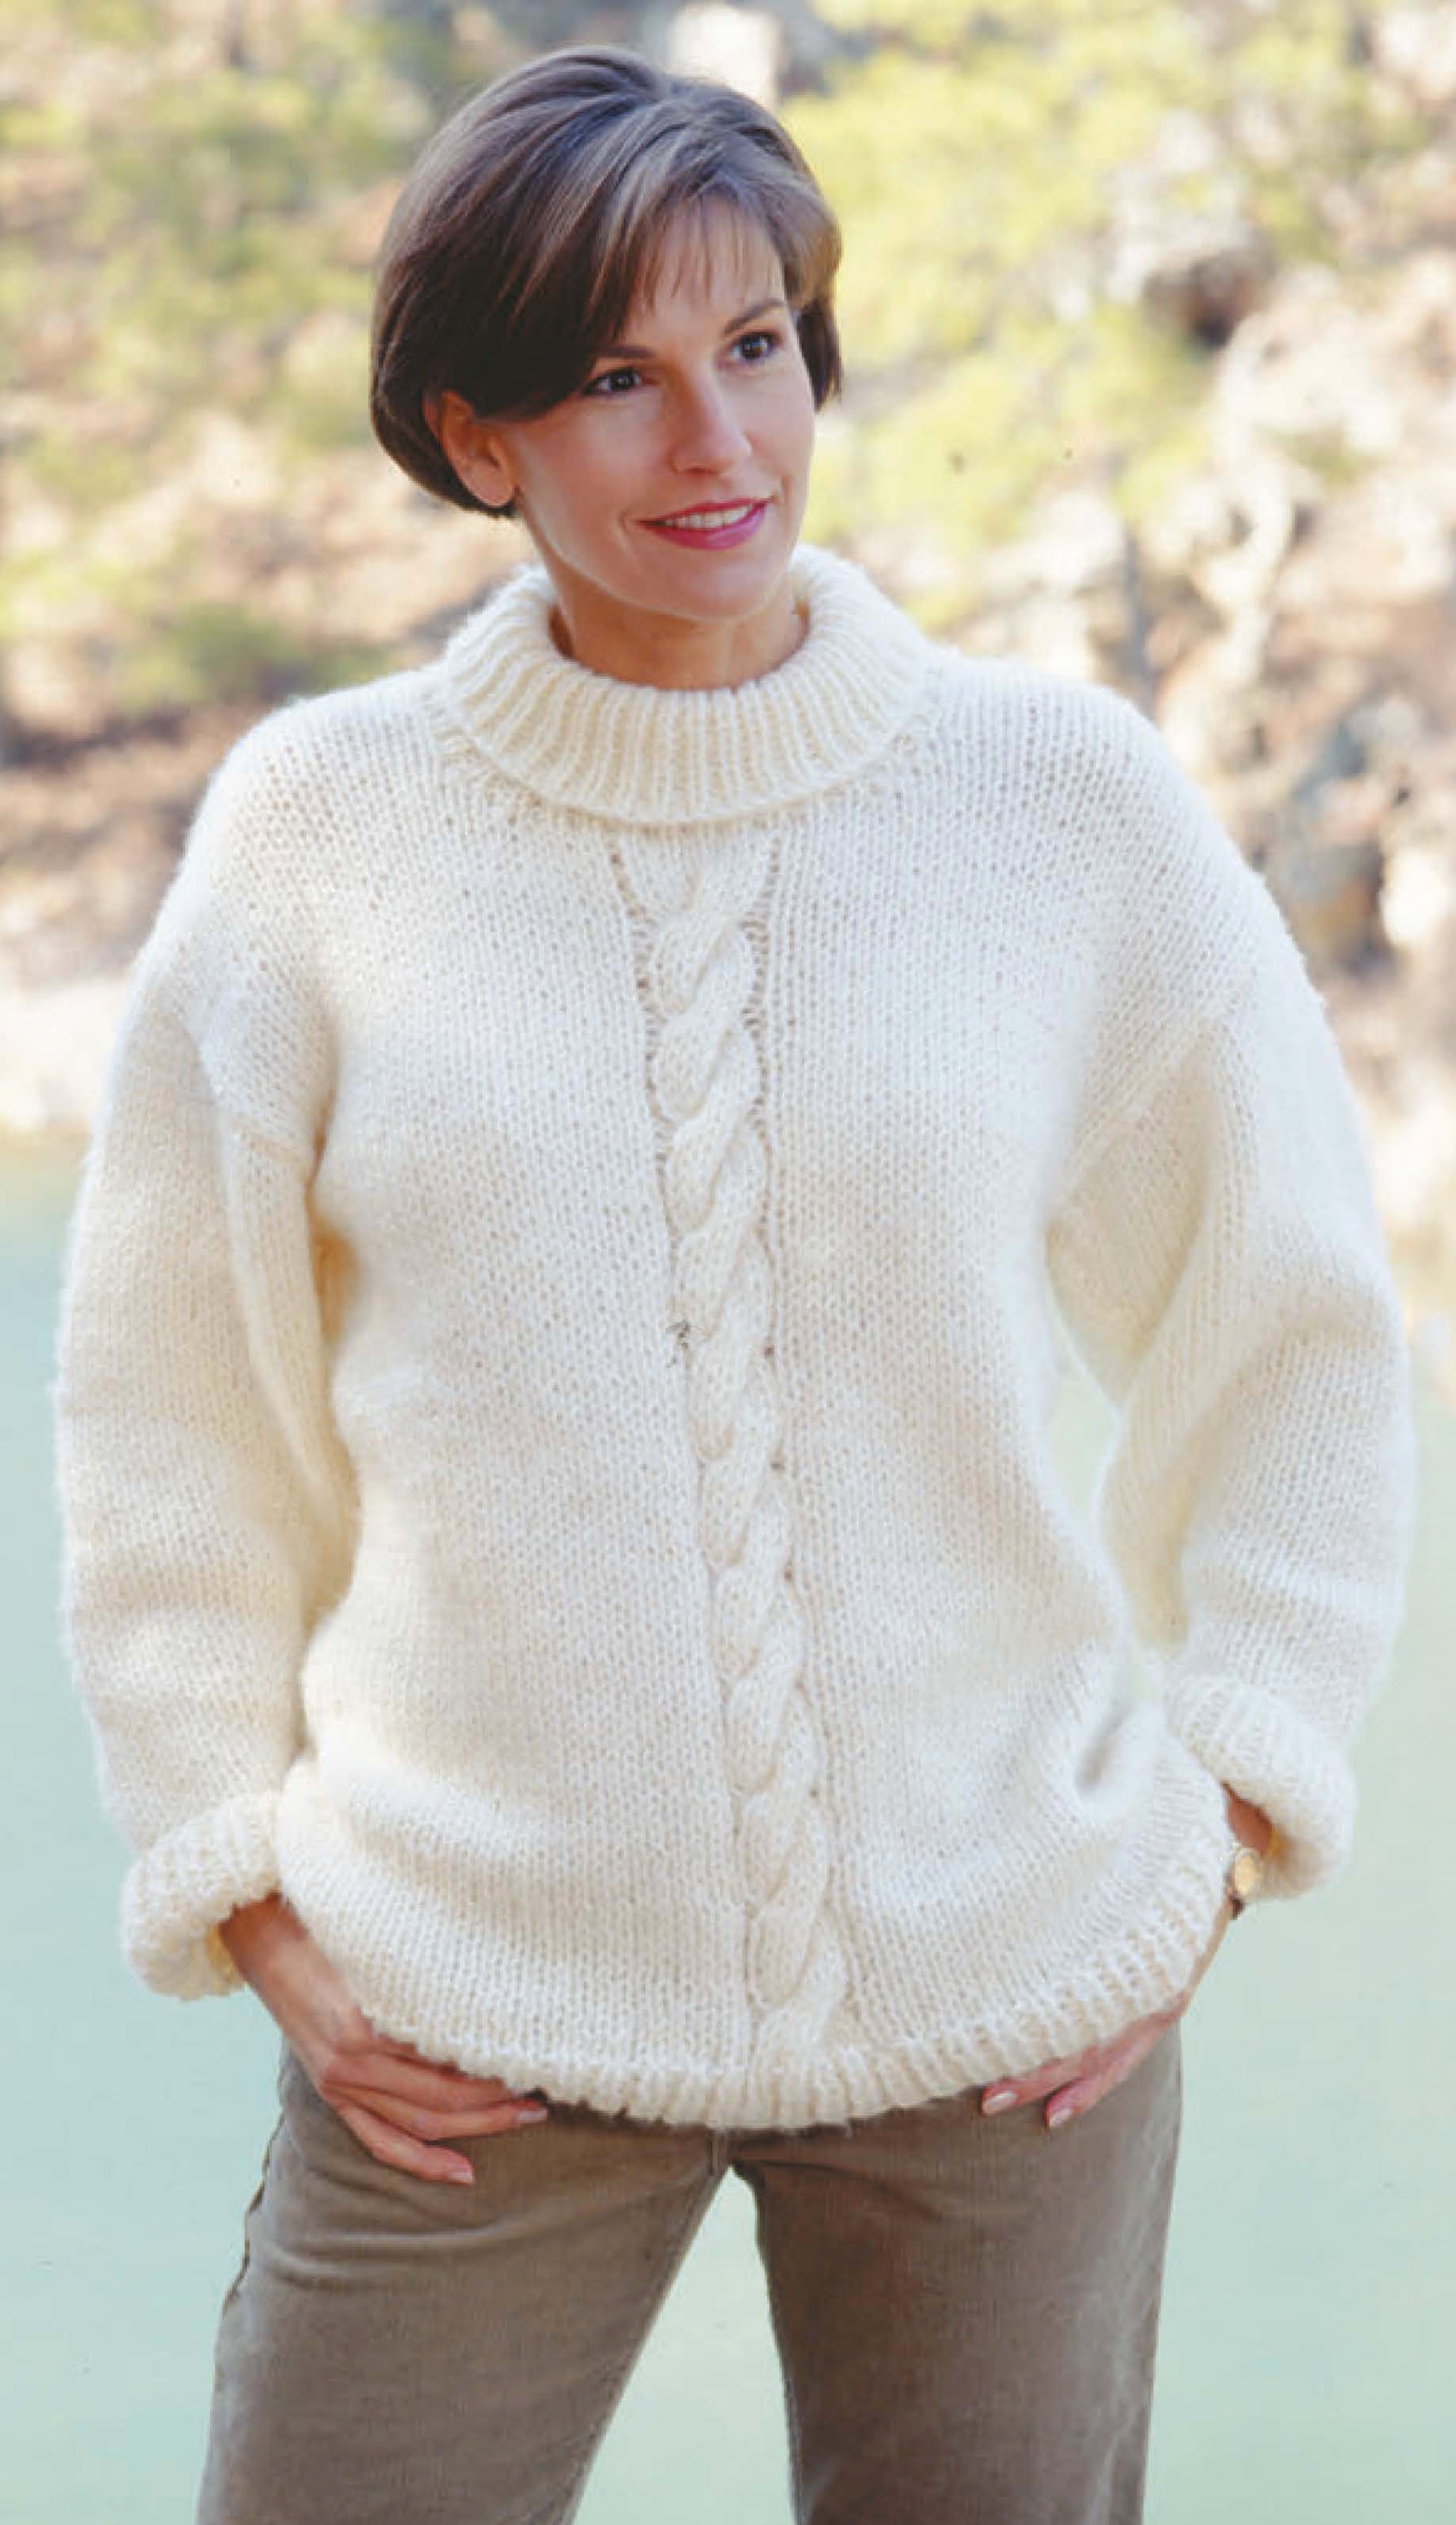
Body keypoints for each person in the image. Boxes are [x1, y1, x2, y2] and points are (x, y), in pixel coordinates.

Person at [52, 42, 1416, 2525]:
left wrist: (1218, 1815)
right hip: (464, 2004)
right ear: (479, 438)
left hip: (1005, 1997)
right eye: (614, 376)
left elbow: (1292, 1331)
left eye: (760, 344)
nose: (720, 440)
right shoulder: (320, 840)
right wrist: (245, 1891)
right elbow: (174, 1421)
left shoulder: (1058, 809)